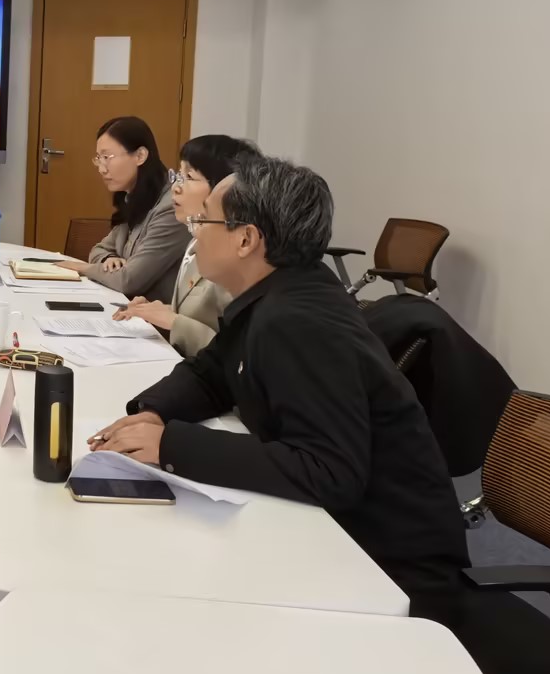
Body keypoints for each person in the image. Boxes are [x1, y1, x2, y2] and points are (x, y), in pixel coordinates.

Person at [89, 154, 469, 626]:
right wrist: (154, 412)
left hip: (387, 566)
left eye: (205, 219)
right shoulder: (276, 293)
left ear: (246, 239)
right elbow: (211, 371)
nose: (194, 231)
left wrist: (172, 445)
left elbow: (329, 471)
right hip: (338, 533)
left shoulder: (299, 320)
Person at [113, 135, 260, 356]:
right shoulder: (195, 240)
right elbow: (197, 315)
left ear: (225, 188)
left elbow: (237, 353)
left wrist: (173, 321)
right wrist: (155, 310)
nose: (176, 187)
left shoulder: (236, 256)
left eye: (189, 177)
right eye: (178, 176)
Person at [57, 115, 187, 301]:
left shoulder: (171, 207)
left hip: (154, 315)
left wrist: (83, 268)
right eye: (98, 158)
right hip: (127, 305)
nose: (101, 168)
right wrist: (108, 259)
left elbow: (128, 280)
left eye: (107, 157)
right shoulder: (133, 196)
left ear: (140, 156)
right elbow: (99, 249)